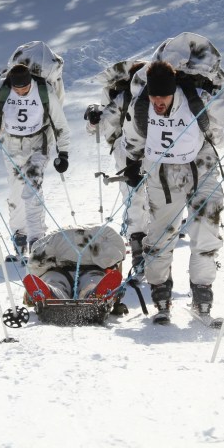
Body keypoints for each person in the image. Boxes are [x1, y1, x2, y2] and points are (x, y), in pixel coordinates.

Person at [121, 53, 224, 324]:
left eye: (164, 97)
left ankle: (202, 291)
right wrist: (132, 163)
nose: (158, 103)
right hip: (162, 174)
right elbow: (132, 136)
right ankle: (160, 290)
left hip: (201, 167)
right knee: (161, 236)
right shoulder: (140, 106)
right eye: (155, 97)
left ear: (174, 91)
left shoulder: (196, 98)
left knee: (207, 227)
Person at [84, 58, 148, 315]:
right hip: (126, 152)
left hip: (158, 150)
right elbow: (97, 126)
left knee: (154, 202)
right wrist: (93, 118)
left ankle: (150, 255)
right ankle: (140, 253)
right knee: (135, 201)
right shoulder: (120, 98)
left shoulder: (157, 93)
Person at [0, 62, 71, 257]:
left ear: (30, 82)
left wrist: (64, 153)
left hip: (38, 144)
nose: (21, 92)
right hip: (10, 146)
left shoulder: (45, 93)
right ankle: (20, 234)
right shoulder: (1, 91)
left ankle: (36, 239)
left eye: (24, 88)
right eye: (17, 89)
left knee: (32, 188)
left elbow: (60, 124)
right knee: (16, 191)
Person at [22, 225, 125, 318]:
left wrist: (28, 294)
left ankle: (51, 293)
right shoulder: (106, 235)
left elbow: (34, 268)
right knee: (93, 281)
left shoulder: (51, 237)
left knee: (54, 281)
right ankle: (93, 293)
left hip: (57, 258)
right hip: (93, 259)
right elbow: (116, 265)